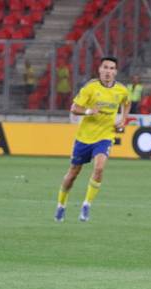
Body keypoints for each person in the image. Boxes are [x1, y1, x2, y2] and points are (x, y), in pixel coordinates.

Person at [54, 57, 129, 222]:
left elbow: (126, 102)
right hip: (84, 138)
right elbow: (74, 108)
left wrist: (123, 119)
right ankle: (61, 205)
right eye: (105, 67)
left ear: (115, 72)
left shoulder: (121, 90)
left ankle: (86, 205)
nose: (108, 71)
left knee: (100, 168)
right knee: (73, 173)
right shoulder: (90, 88)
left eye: (112, 68)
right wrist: (88, 112)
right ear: (100, 70)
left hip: (105, 136)